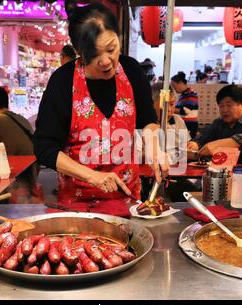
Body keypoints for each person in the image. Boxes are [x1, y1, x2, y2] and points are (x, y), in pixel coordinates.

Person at [34, 1, 168, 213]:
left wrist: (154, 146)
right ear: (78, 51)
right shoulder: (63, 81)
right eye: (94, 54)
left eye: (111, 49)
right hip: (77, 207)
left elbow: (147, 120)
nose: (106, 61)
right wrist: (93, 176)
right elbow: (44, 148)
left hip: (128, 203)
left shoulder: (132, 71)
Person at [187, 84, 242, 164]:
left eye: (229, 105)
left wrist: (216, 145)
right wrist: (195, 144)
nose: (224, 110)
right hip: (229, 172)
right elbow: (204, 136)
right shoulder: (219, 122)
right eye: (221, 106)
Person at [151, 81, 190, 164]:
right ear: (152, 104)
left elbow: (186, 145)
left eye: (172, 104)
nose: (168, 110)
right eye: (164, 105)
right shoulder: (146, 124)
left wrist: (191, 145)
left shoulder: (177, 121)